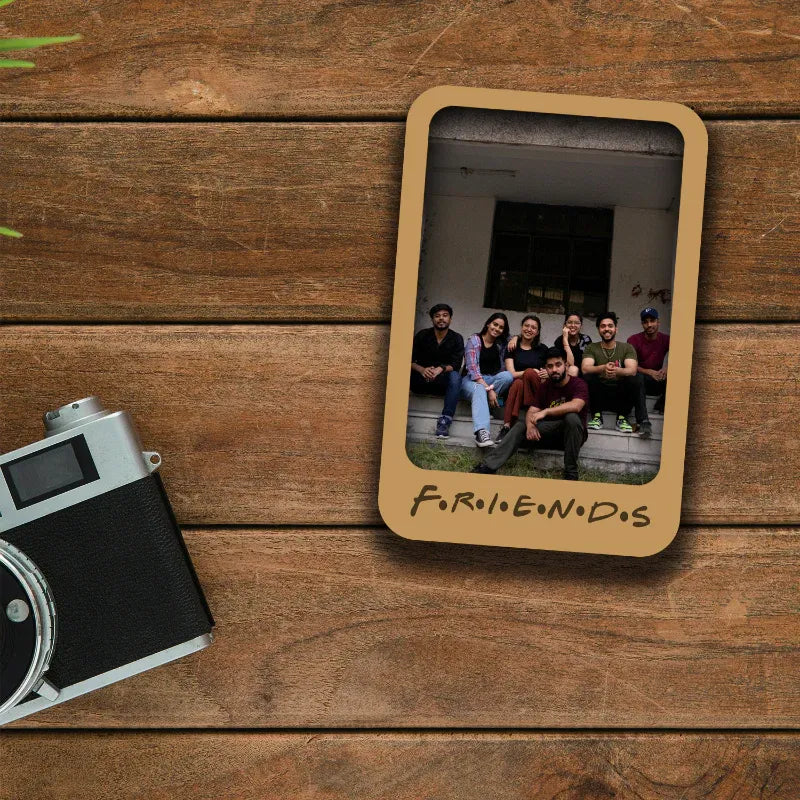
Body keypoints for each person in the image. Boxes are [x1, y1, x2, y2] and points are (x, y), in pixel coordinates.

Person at [472, 347, 588, 481]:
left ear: (566, 366)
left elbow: (577, 405)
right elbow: (532, 410)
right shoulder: (545, 387)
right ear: (546, 368)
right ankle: (487, 467)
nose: (554, 370)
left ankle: (571, 474)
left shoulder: (578, 384)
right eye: (550, 366)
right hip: (547, 434)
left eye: (558, 365)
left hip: (571, 436)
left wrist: (546, 411)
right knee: (521, 425)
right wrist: (530, 425)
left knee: (572, 418)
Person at [581, 312, 652, 438]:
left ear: (616, 329)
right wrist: (603, 368)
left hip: (620, 396)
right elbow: (585, 368)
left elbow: (632, 370)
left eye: (610, 325)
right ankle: (596, 416)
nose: (607, 329)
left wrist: (617, 371)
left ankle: (633, 419)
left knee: (637, 378)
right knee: (587, 376)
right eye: (603, 326)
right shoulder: (592, 348)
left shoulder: (626, 348)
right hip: (599, 396)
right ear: (598, 329)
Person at [410, 303, 465, 439]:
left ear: (450, 319)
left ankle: (445, 421)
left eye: (445, 315)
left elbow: (457, 364)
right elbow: (408, 358)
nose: (441, 318)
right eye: (437, 316)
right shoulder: (422, 335)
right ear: (432, 319)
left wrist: (441, 368)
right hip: (420, 381)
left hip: (442, 384)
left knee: (456, 377)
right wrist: (422, 369)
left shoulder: (457, 338)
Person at [461, 312, 514, 448]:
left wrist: (516, 338)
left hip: (491, 379)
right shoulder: (474, 340)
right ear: (488, 324)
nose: (497, 329)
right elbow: (473, 371)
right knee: (479, 388)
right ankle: (482, 433)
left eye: (501, 327)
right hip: (472, 380)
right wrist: (490, 390)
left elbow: (515, 338)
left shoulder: (501, 343)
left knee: (508, 376)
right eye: (495, 324)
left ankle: (487, 403)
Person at [497, 314, 550, 443]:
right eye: (526, 325)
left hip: (536, 391)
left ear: (537, 332)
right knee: (518, 383)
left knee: (530, 375)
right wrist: (529, 371)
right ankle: (506, 426)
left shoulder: (542, 349)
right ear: (521, 327)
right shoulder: (512, 347)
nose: (529, 329)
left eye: (533, 327)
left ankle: (510, 423)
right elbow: (511, 373)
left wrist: (546, 373)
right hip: (518, 392)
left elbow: (549, 371)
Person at [627, 306, 669, 414]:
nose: (649, 325)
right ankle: (643, 418)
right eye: (646, 322)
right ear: (642, 324)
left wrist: (667, 369)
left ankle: (660, 406)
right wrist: (649, 372)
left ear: (658, 322)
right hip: (639, 381)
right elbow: (629, 365)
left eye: (652, 321)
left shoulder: (666, 339)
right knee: (636, 376)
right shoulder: (633, 339)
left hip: (657, 380)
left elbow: (681, 354)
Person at [556, 312, 592, 377]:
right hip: (566, 374)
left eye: (577, 323)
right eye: (569, 322)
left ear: (581, 326)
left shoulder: (586, 339)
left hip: (583, 374)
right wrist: (565, 340)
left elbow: (588, 365)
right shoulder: (559, 341)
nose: (573, 325)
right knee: (573, 369)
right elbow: (570, 364)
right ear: (565, 325)